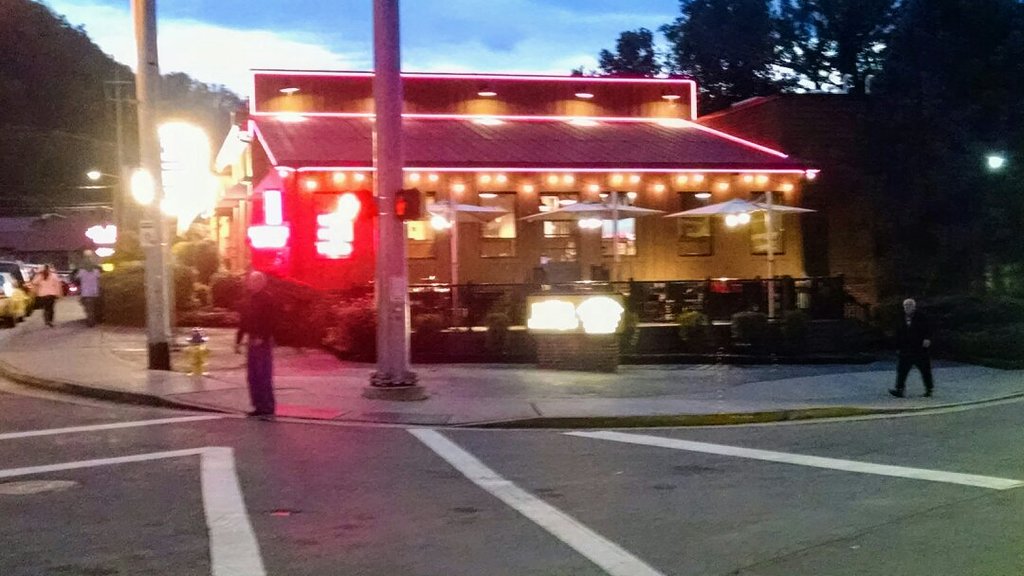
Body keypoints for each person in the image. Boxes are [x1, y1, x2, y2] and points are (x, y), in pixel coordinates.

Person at [241, 271, 276, 417]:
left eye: (254, 280)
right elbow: (245, 320)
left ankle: (267, 405)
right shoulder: (250, 299)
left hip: (262, 342)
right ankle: (258, 405)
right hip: (252, 339)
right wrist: (239, 338)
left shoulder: (267, 299)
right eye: (250, 280)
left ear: (261, 282)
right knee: (253, 375)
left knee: (263, 375)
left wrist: (263, 337)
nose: (250, 283)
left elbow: (271, 321)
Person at [890, 298, 934, 398]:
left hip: (919, 348)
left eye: (910, 305)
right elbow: (897, 332)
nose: (907, 307)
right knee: (902, 370)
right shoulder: (900, 317)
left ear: (914, 306)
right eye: (906, 305)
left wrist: (927, 338)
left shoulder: (921, 317)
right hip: (905, 349)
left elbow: (929, 328)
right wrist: (897, 346)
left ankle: (929, 389)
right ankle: (899, 389)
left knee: (925, 369)